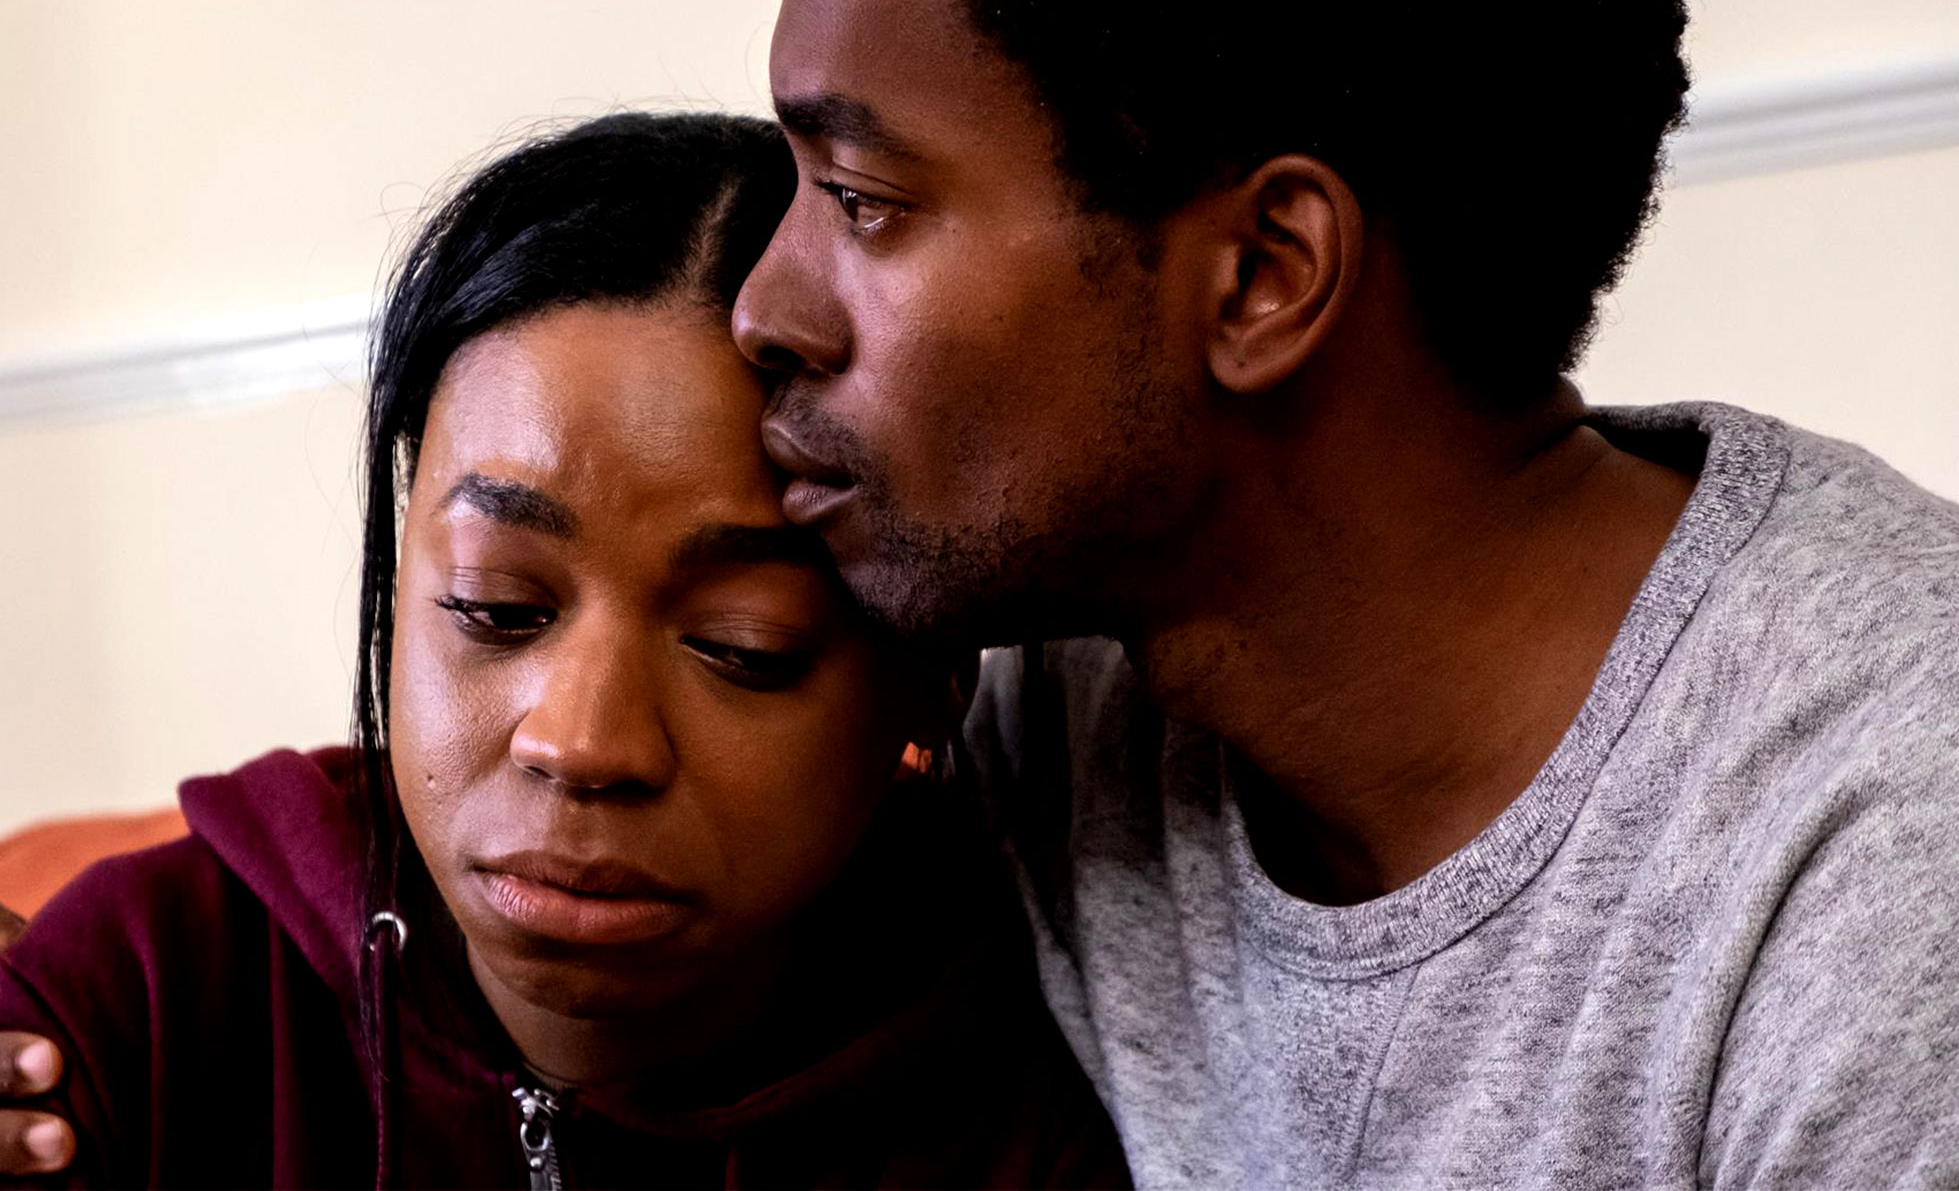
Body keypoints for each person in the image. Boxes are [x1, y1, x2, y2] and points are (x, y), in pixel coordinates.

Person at [724, 0, 1959, 1186]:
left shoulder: (1910, 845)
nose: (764, 309)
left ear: (1263, 276)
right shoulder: (1057, 699)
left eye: (863, 201)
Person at [0, 113, 1128, 1188]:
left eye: (742, 647)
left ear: (933, 674)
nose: (581, 743)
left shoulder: (1036, 1098)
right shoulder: (143, 993)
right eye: (496, 607)